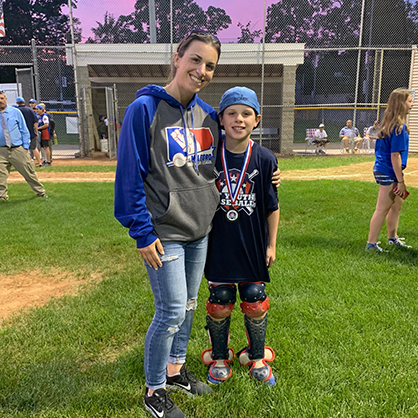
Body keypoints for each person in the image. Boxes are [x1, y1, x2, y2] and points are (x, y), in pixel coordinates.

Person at [201, 87, 279, 387]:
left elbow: (272, 207)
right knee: (220, 300)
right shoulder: (207, 155)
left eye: (246, 113)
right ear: (220, 119)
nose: (238, 119)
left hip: (252, 244)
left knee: (254, 299)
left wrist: (271, 244)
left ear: (256, 119)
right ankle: (219, 356)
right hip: (218, 244)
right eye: (231, 113)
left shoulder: (265, 158)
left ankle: (256, 356)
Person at [366, 88, 413, 252]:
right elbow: (395, 156)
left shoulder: (390, 124)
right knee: (382, 208)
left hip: (386, 169)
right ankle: (371, 244)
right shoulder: (399, 127)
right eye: (410, 101)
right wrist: (400, 182)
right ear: (401, 104)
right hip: (388, 171)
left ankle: (392, 238)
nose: (412, 104)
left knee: (396, 205)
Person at [0, 90, 47, 200]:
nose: (0, 101)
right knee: (0, 176)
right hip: (1, 150)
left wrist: (25, 146)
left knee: (28, 172)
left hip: (16, 149)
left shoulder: (15, 112)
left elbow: (24, 130)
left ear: (6, 99)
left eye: (2, 98)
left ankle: (40, 193)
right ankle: (2, 197)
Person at [16, 96, 42, 167]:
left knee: (21, 149)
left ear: (17, 103)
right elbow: (35, 123)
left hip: (19, 133)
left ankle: (24, 164)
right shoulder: (29, 110)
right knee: (34, 148)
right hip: (30, 132)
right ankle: (40, 163)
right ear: (24, 102)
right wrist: (36, 132)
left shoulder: (15, 110)